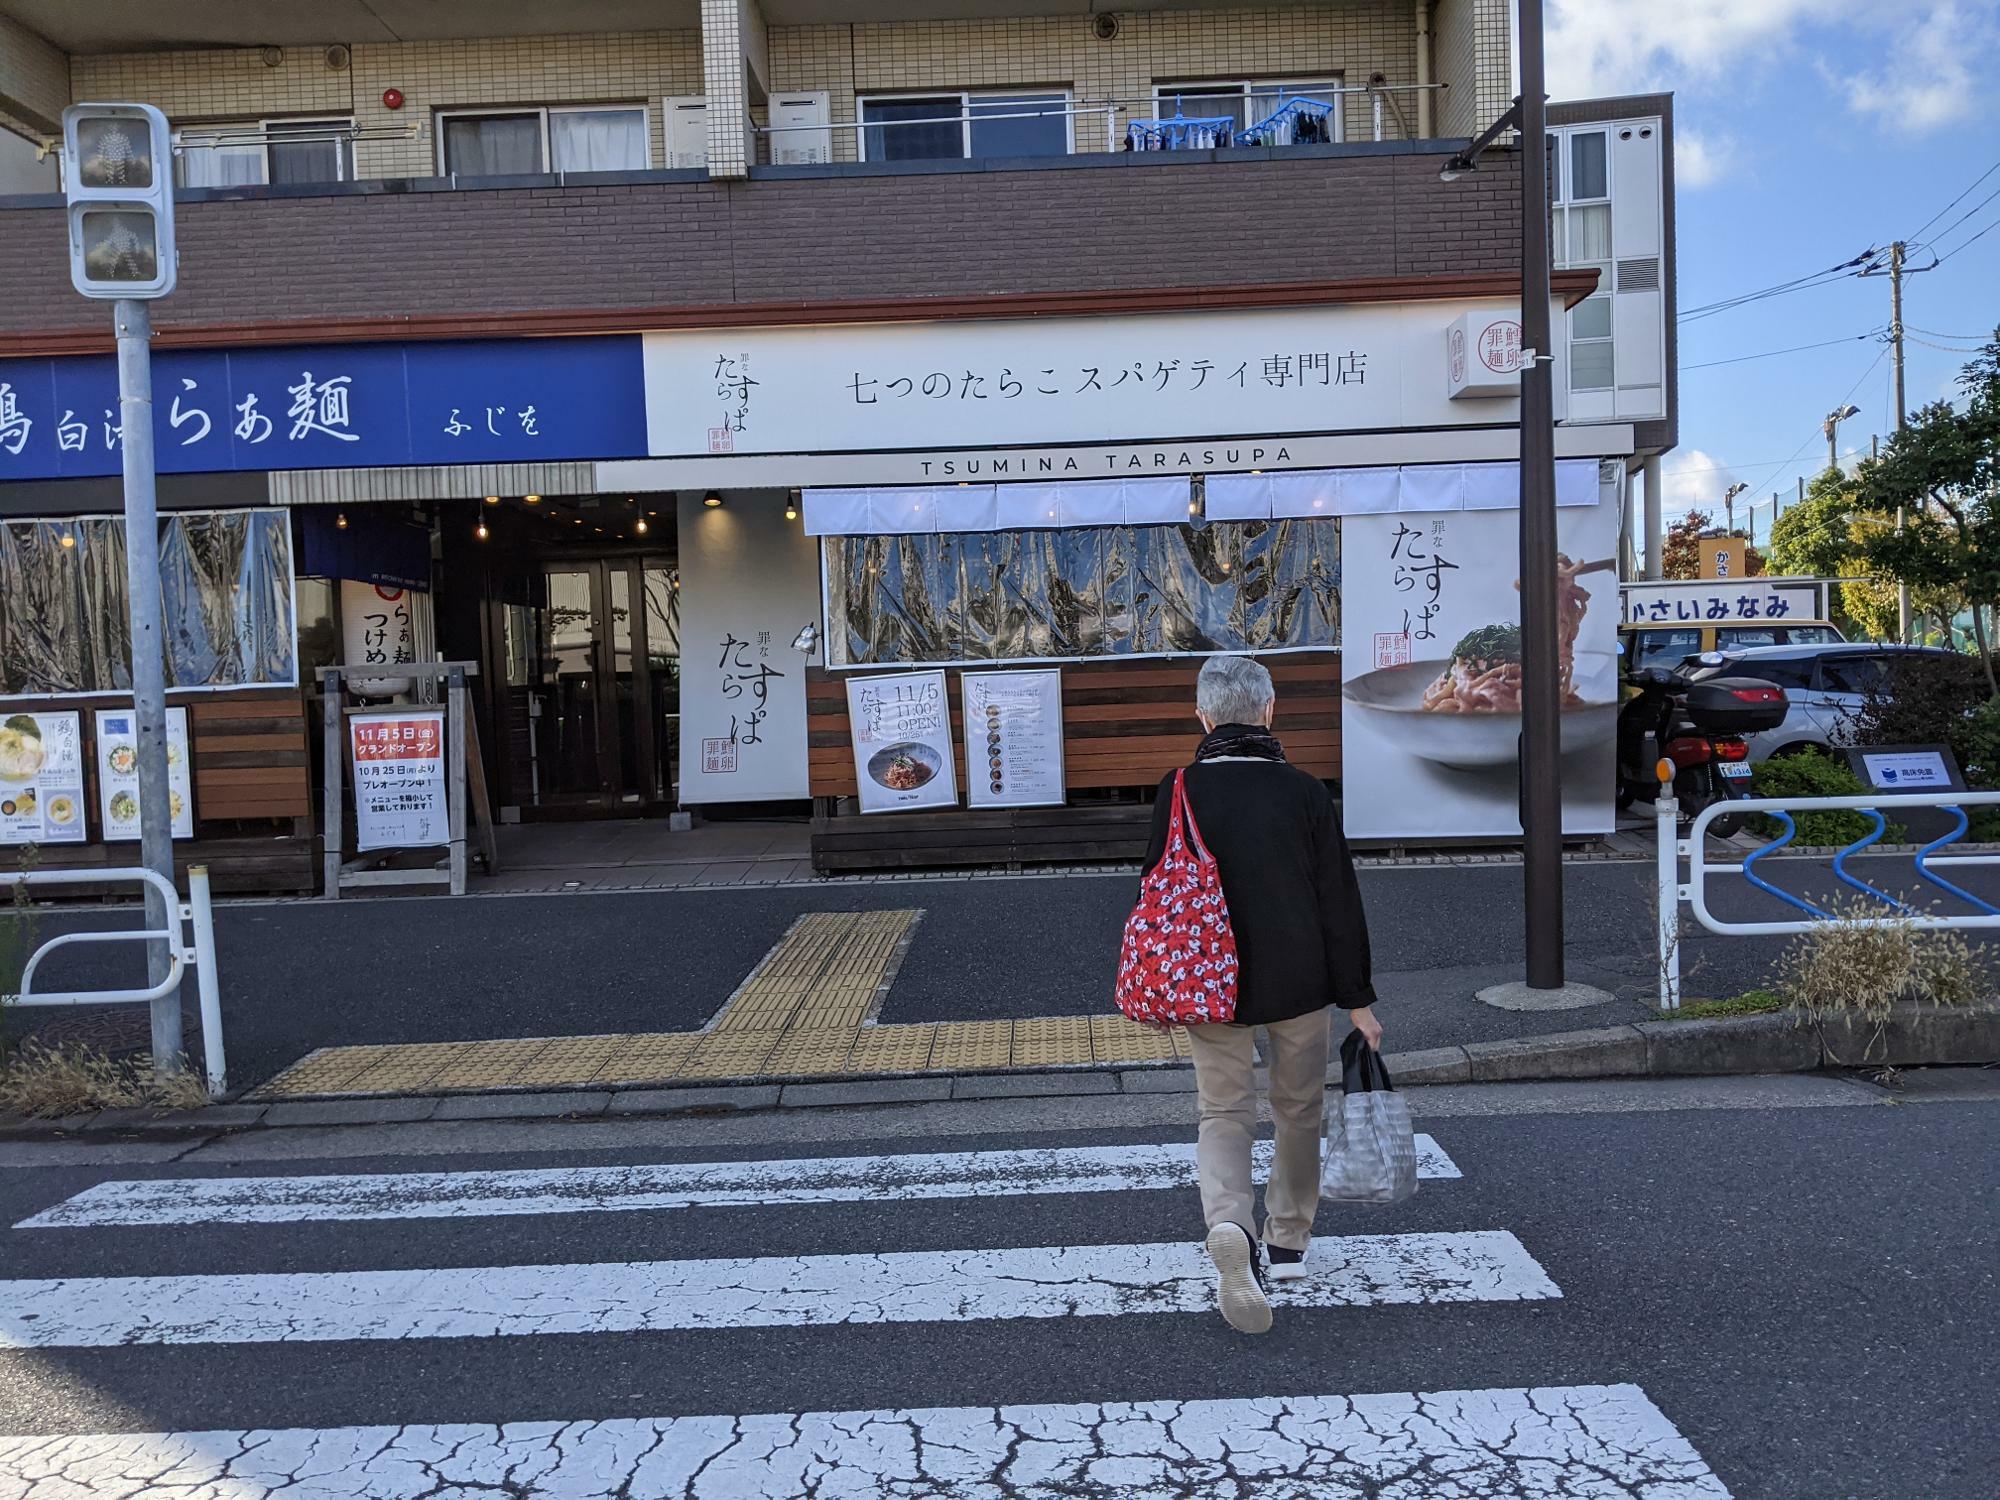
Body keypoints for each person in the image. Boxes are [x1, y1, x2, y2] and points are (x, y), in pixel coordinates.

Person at [1138, 654, 1379, 1335]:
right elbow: (1338, 899)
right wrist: (1357, 996)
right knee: (1298, 1109)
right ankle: (1288, 1242)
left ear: (1204, 718)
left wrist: (1159, 987)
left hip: (1210, 984)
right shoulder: (1304, 793)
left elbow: (1157, 891)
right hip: (1299, 981)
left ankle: (1228, 1225)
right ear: (1270, 713)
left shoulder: (1178, 788)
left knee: (1222, 1111)